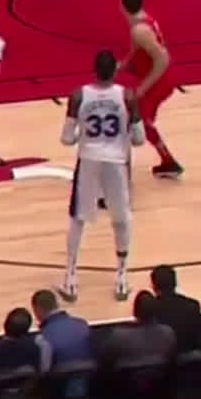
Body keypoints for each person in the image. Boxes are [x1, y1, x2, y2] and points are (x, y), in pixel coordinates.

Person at [59, 50, 143, 303]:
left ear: (94, 69)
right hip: (116, 162)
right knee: (121, 218)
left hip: (89, 160)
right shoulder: (127, 96)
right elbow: (139, 139)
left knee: (78, 218)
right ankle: (121, 276)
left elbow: (66, 139)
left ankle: (70, 277)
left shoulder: (78, 95)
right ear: (115, 70)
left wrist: (81, 135)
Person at [119, 0, 180, 177]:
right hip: (156, 77)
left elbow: (162, 58)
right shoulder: (141, 21)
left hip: (158, 81)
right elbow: (137, 51)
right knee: (137, 120)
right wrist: (123, 66)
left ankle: (167, 162)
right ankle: (167, 161)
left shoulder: (140, 30)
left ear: (122, 6)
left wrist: (143, 88)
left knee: (139, 121)